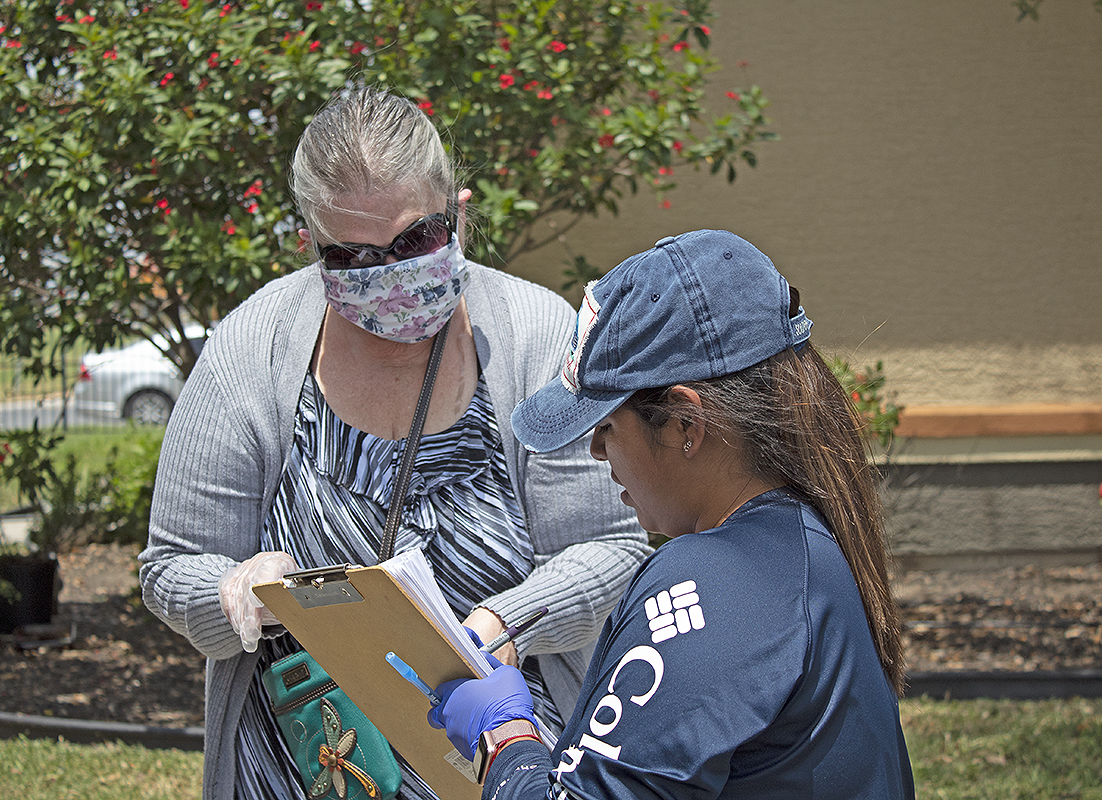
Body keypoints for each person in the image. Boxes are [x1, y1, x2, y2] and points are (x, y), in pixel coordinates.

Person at [138, 87, 650, 800]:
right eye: (349, 256)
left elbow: (612, 548)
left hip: (508, 768)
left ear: (458, 210)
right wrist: (236, 593)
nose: (385, 274)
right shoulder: (250, 349)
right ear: (310, 242)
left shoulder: (535, 335)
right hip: (310, 771)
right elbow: (170, 567)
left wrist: (507, 622)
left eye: (413, 241)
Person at [427, 229, 916, 798]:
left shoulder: (712, 579)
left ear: (686, 423)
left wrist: (505, 740)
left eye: (608, 426)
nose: (595, 452)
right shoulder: (800, 537)